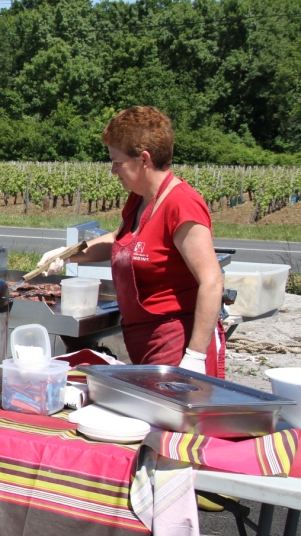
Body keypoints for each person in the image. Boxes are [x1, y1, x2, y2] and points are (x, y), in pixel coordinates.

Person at [39, 106, 225, 377]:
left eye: (117, 162)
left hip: (178, 342)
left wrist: (194, 357)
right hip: (144, 340)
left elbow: (212, 281)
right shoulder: (139, 198)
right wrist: (69, 254)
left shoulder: (181, 204)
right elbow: (119, 240)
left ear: (144, 159)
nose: (113, 171)